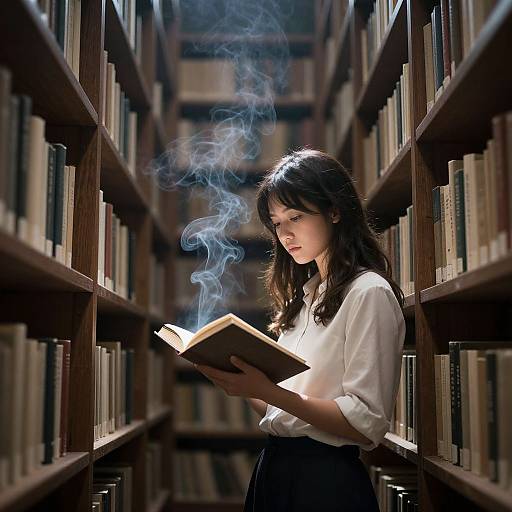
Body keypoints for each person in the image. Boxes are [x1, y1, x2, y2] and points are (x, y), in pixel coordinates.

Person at [195, 149, 406, 511]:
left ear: (334, 211)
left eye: (295, 216)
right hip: (275, 469)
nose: (285, 233)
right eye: (277, 222)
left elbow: (365, 422)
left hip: (324, 482)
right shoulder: (306, 297)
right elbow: (285, 414)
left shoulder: (368, 293)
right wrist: (240, 382)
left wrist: (268, 392)